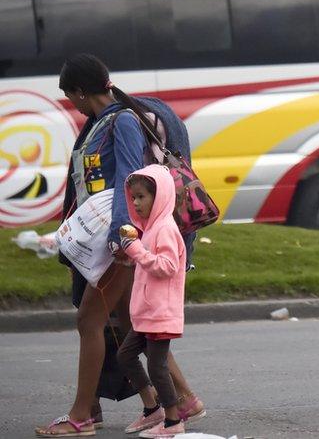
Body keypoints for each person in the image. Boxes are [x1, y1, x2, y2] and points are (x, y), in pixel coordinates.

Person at [36, 55, 203, 438]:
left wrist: (120, 236)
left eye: (69, 96)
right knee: (134, 322)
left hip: (117, 241)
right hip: (106, 239)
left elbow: (129, 179)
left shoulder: (123, 121)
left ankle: (80, 418)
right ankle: (180, 400)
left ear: (80, 91)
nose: (71, 103)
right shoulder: (101, 124)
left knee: (90, 321)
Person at [116, 166, 189, 437]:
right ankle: (152, 409)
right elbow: (149, 263)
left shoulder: (165, 229)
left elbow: (167, 266)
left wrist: (135, 251)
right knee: (125, 355)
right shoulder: (150, 229)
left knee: (157, 367)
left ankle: (173, 421)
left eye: (141, 197)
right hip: (147, 312)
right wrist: (129, 253)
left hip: (161, 312)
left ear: (158, 197)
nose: (135, 203)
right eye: (133, 197)